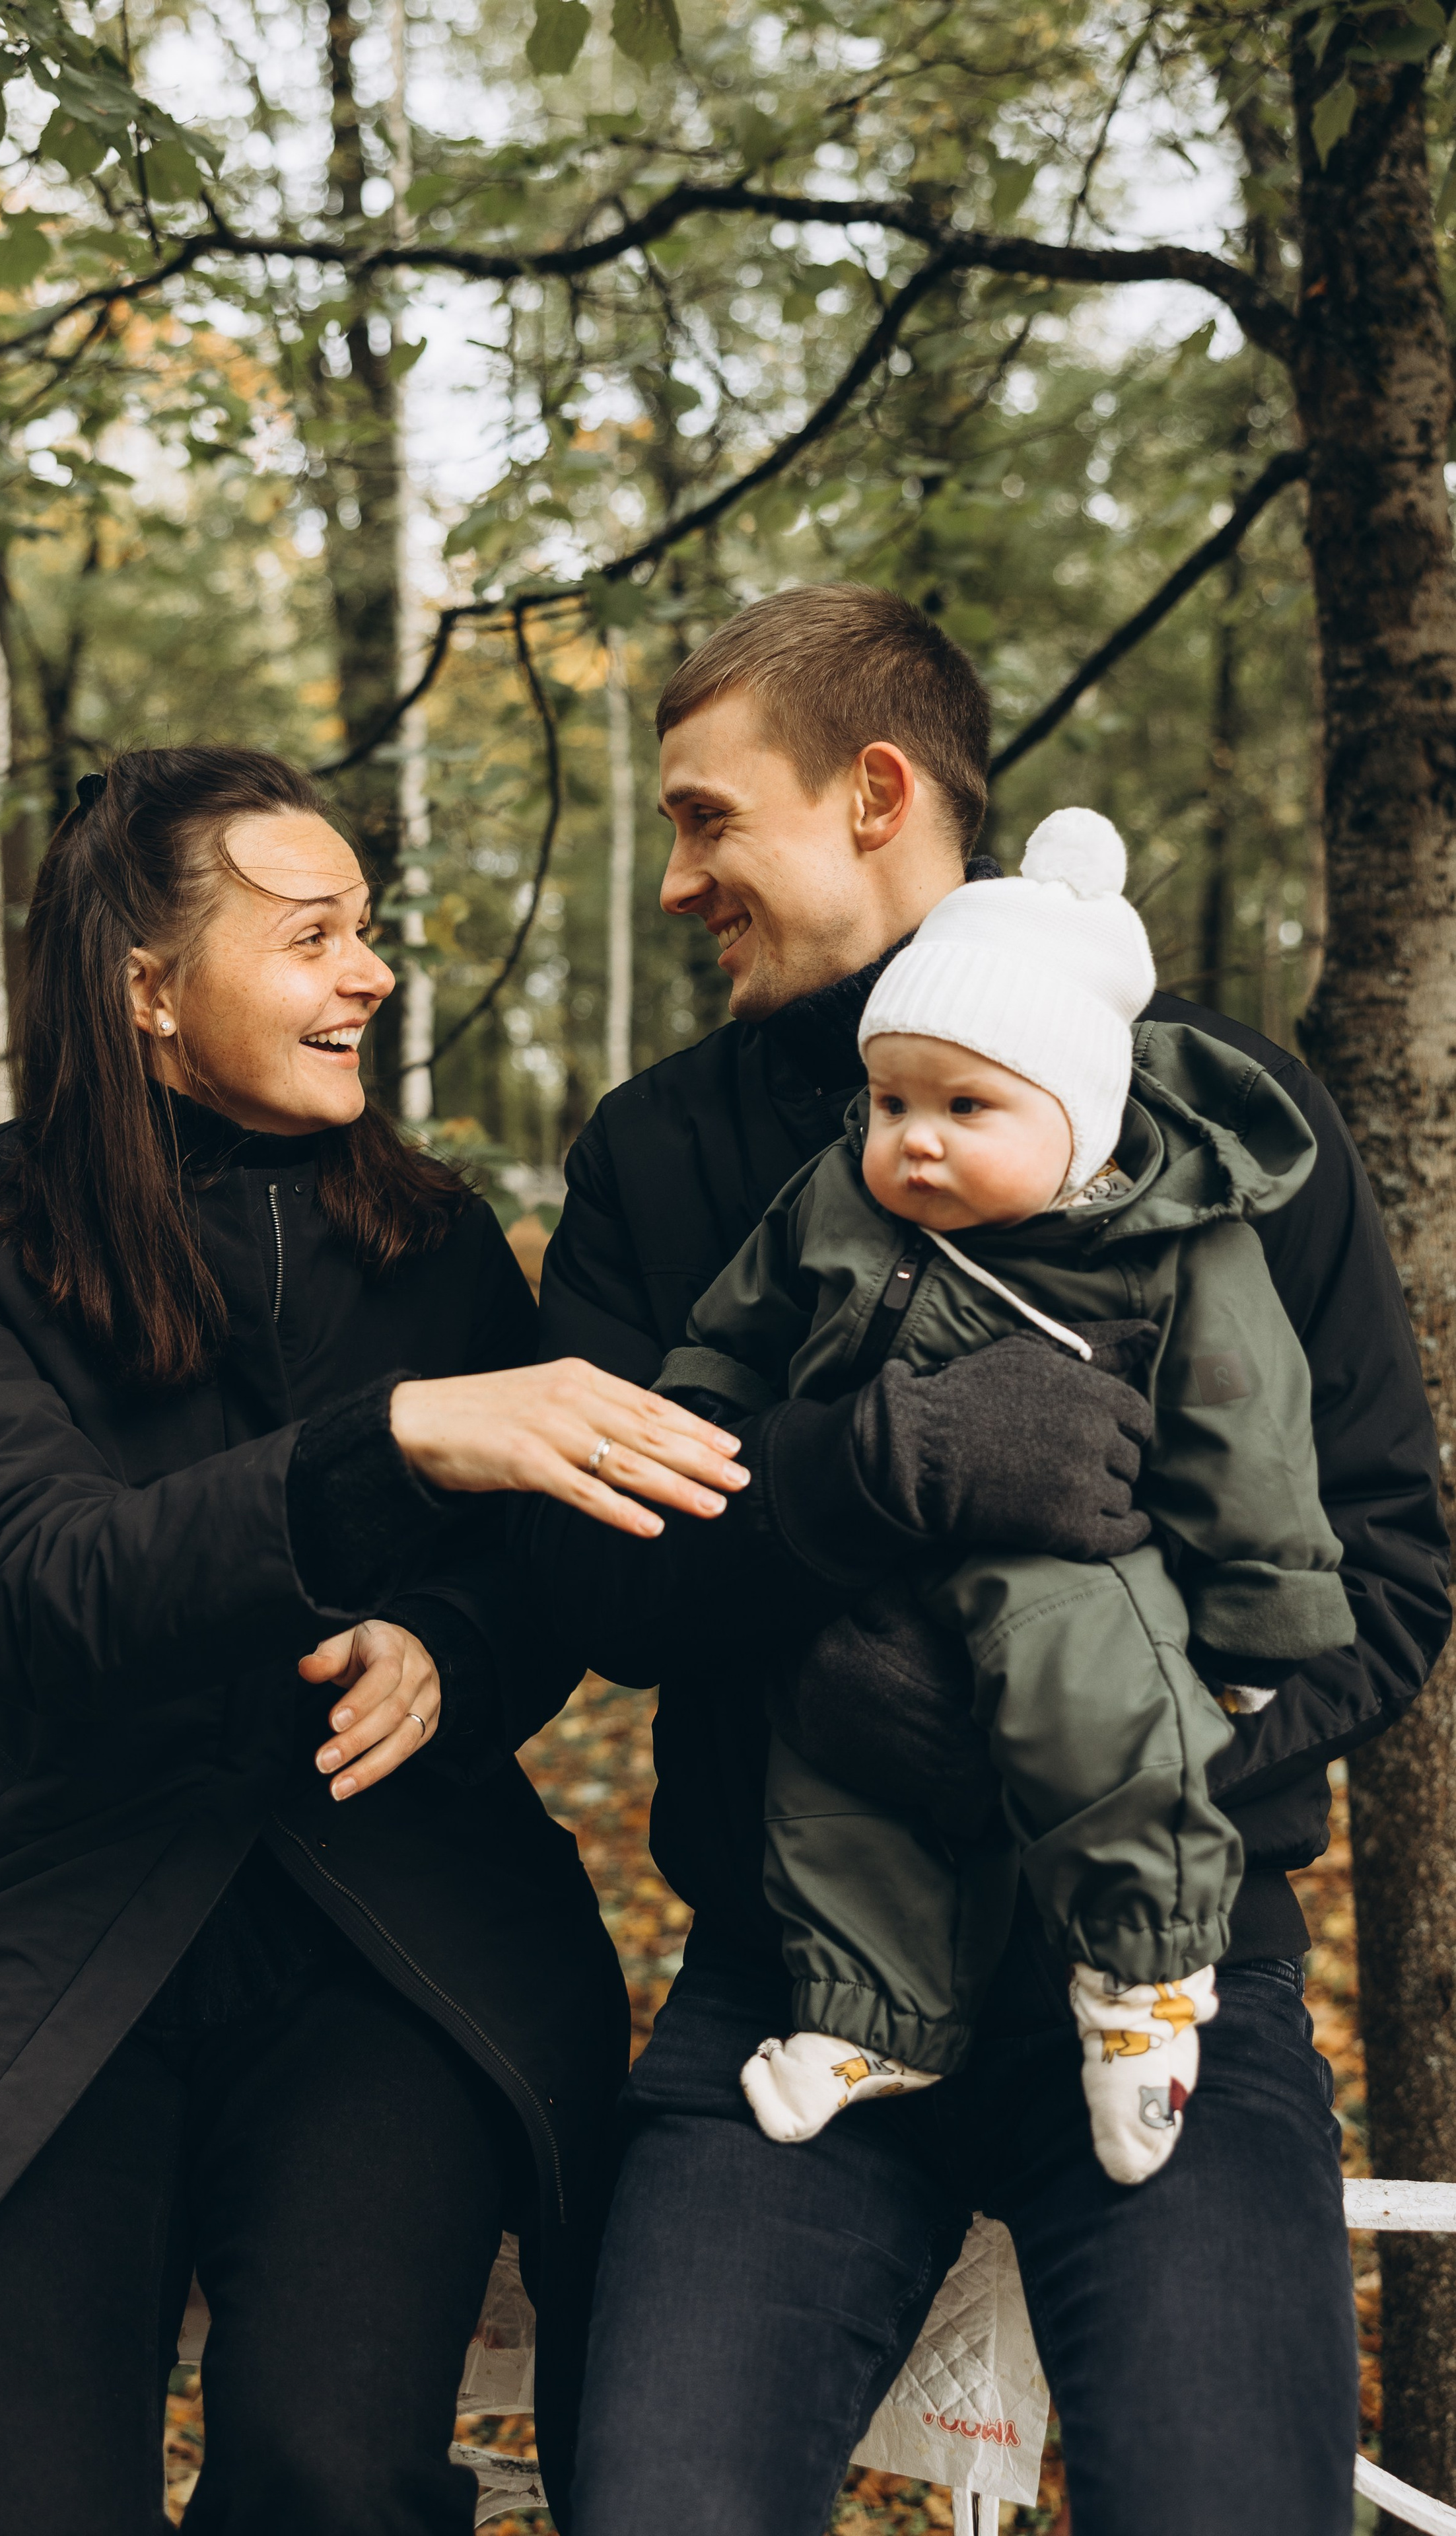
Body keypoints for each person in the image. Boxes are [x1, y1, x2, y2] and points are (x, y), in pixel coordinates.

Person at [517, 586, 1450, 2535]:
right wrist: (860, 1476)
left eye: (706, 819)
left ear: (874, 793)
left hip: (1172, 1971)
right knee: (661, 2500)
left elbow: (1376, 1581)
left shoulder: (1212, 1124)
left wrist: (1089, 1761)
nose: (677, 880)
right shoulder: (659, 1157)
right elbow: (605, 1592)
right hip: (792, 1975)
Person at [0, 745, 752, 2536]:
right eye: (314, 936)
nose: (372, 975)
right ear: (147, 990)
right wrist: (383, 1444)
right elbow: (37, 1587)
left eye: (368, 932)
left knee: (332, 2473)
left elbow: (535, 1575)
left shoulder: (430, 1239)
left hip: (389, 1947)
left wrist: (447, 1652)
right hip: (40, 1924)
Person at [651, 804, 1354, 2178]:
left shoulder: (1170, 1250)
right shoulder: (834, 1203)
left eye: (966, 1109)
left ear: (1078, 1118)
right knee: (829, 1774)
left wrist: (1259, 1624)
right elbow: (737, 1326)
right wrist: (702, 1411)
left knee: (1100, 1714)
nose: (914, 1141)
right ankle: (875, 2013)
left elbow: (1247, 1437)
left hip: (1073, 1553)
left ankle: (1142, 1978)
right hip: (874, 1564)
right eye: (891, 1104)